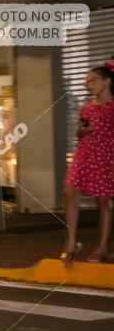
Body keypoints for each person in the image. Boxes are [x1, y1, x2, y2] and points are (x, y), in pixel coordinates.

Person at [60, 62, 114, 265]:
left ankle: (101, 249)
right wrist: (82, 131)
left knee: (103, 201)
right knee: (69, 190)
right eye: (86, 80)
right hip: (84, 154)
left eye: (93, 80)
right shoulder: (87, 107)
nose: (88, 84)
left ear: (107, 81)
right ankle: (71, 242)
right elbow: (79, 130)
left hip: (106, 156)